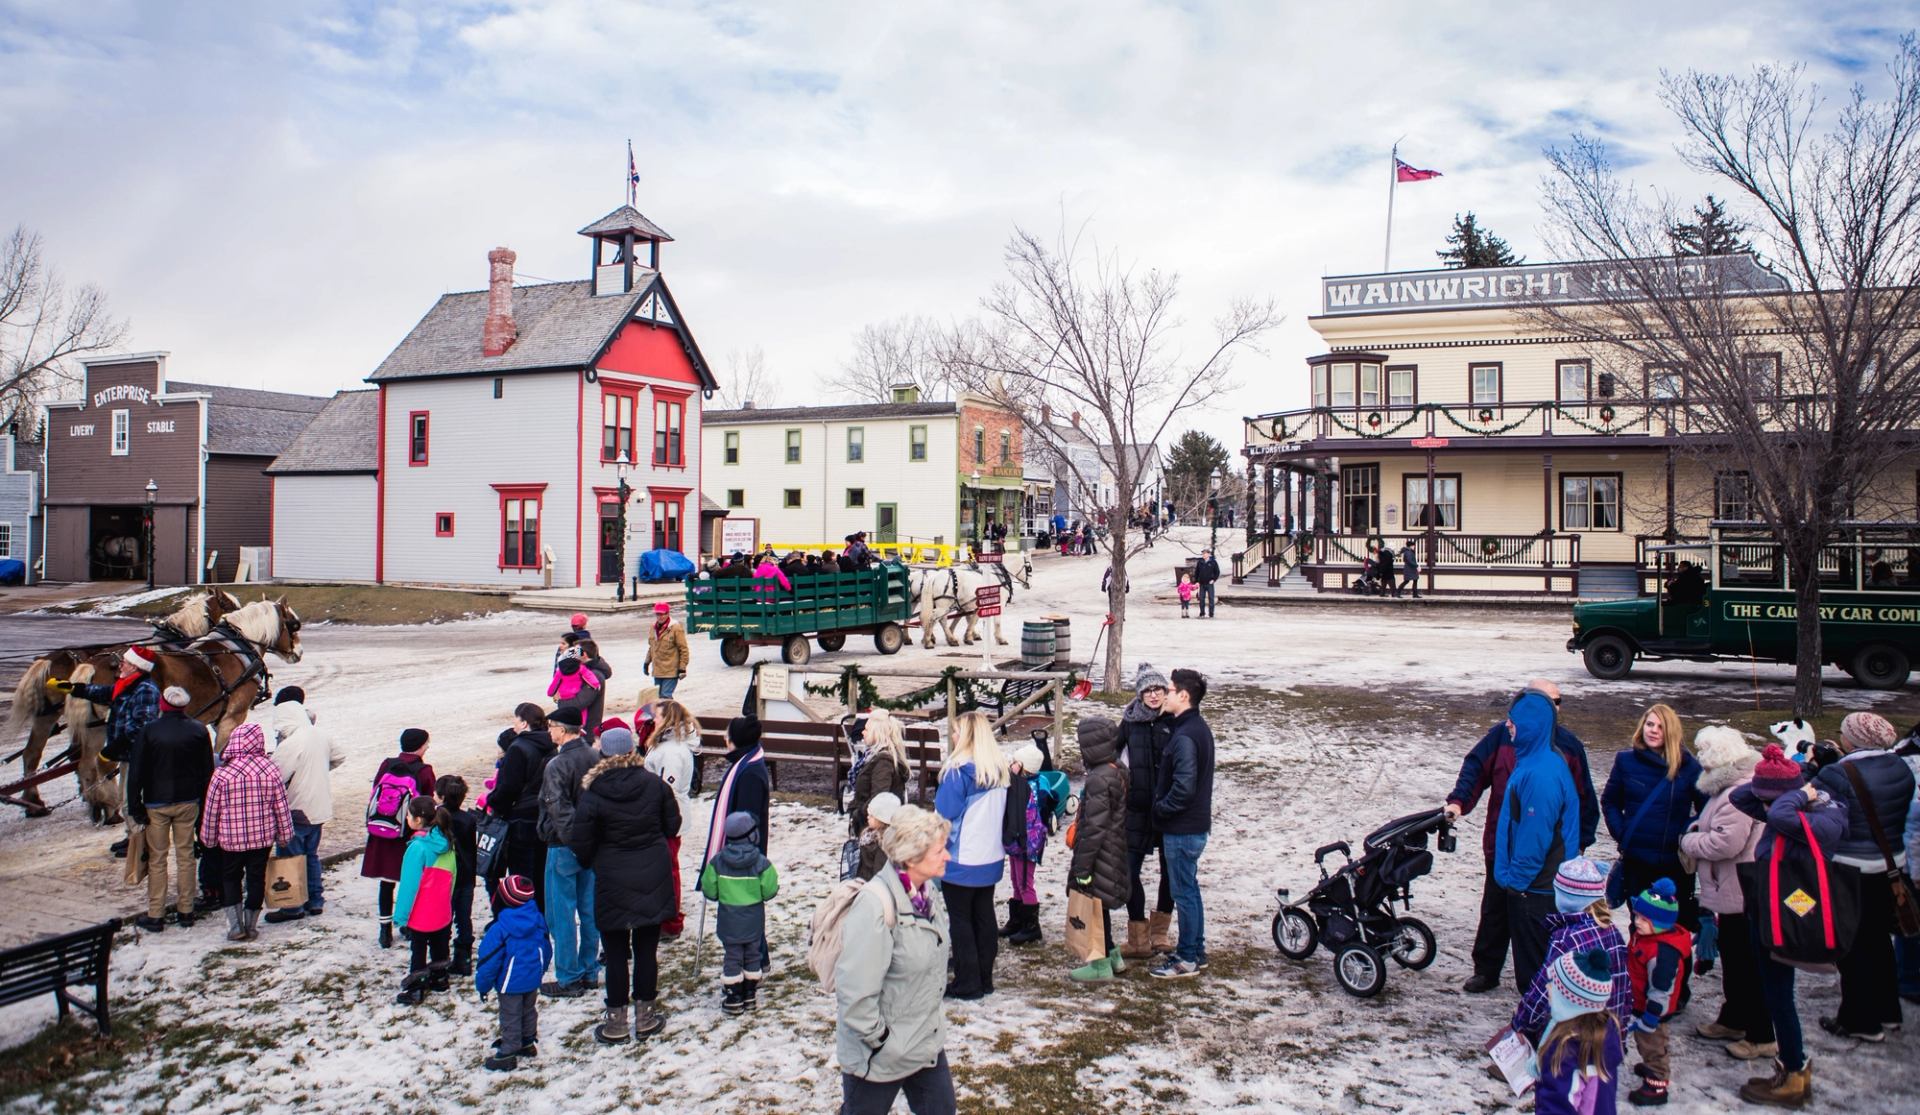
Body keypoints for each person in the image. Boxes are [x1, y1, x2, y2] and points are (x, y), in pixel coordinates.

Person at [1445, 679, 1601, 993]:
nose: (1553, 707)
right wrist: (1459, 801)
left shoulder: (1563, 750)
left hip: (1541, 861)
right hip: (1501, 847)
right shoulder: (1504, 738)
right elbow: (1475, 767)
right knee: (1495, 911)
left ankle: (1538, 986)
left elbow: (1583, 797)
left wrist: (1580, 843)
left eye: (1556, 701)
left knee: (1534, 920)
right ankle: (1487, 970)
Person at [1730, 745, 1847, 1105]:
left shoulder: (1821, 817)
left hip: (1791, 913)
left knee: (1780, 995)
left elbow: (1779, 814)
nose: (1765, 808)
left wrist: (1794, 793)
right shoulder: (1790, 807)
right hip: (1772, 906)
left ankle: (1794, 1074)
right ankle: (1792, 1067)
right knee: (1774, 991)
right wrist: (1789, 777)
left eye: (1771, 801)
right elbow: (1740, 797)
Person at [834, 805, 957, 1115]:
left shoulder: (926, 894)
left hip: (924, 1041)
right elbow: (855, 993)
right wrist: (882, 1041)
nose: (947, 856)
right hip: (880, 1054)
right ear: (912, 858)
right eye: (939, 851)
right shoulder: (875, 906)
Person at [570, 723, 681, 1045]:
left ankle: (617, 1020)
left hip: (612, 876)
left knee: (616, 952)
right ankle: (645, 1015)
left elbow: (581, 840)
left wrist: (594, 860)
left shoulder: (593, 792)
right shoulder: (654, 785)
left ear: (603, 754)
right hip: (651, 873)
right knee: (646, 949)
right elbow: (672, 824)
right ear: (632, 751)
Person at [1810, 710, 1915, 1042]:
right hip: (1890, 865)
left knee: (1852, 946)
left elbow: (1813, 806)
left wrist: (1817, 769)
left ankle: (1859, 1021)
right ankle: (1887, 1011)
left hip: (1850, 869)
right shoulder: (1899, 766)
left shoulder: (1840, 774)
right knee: (1879, 939)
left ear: (1852, 739)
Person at [1676, 726, 1773, 1061]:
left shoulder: (1737, 793)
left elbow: (1726, 843)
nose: (1700, 759)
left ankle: (1761, 1034)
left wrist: (1689, 841)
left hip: (1740, 889)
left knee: (1746, 963)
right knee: (1734, 959)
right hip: (1732, 887)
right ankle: (1734, 1018)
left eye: (1704, 753)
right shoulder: (1732, 787)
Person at [1492, 688, 1581, 995]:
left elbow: (1534, 841)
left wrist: (1516, 884)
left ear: (1530, 724)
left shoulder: (1541, 774)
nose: (1507, 725)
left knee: (1534, 975)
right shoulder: (1539, 760)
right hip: (1538, 886)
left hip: (1536, 889)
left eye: (1513, 720)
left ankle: (1538, 1021)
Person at [1603, 704, 1705, 931]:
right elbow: (1610, 801)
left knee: (1673, 927)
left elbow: (1706, 810)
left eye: (1660, 726)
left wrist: (1686, 833)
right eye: (1649, 724)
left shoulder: (1688, 767)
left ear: (1671, 731)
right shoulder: (1625, 761)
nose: (1653, 730)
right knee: (1640, 925)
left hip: (1674, 864)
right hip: (1636, 862)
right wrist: (1622, 833)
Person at [1511, 857, 1631, 1047]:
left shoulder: (1566, 939)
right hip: (1606, 1036)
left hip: (1569, 1039)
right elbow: (1623, 987)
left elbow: (1543, 989)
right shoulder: (1611, 931)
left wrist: (1521, 1023)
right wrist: (1619, 1036)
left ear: (1564, 897)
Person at [57, 643, 163, 858]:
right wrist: (74, 688)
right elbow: (104, 692)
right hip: (127, 755)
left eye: (125, 662)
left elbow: (141, 727)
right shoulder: (127, 685)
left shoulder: (146, 690)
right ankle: (132, 837)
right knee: (126, 800)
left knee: (133, 801)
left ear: (136, 667)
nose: (121, 665)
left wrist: (112, 749)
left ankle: (141, 845)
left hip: (138, 757)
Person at [124, 685, 214, 931]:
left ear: (163, 705)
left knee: (157, 859)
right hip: (188, 801)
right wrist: (205, 806)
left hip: (156, 801)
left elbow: (136, 771)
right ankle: (186, 910)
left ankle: (156, 913)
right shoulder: (198, 730)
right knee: (186, 856)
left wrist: (135, 805)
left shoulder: (149, 731)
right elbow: (207, 773)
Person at [933, 710, 1009, 999]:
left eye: (956, 731)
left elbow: (945, 813)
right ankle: (984, 978)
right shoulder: (997, 770)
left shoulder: (958, 772)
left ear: (966, 736)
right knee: (984, 916)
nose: (952, 736)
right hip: (990, 855)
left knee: (961, 920)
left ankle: (967, 982)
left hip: (961, 857)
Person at [199, 722, 292, 943]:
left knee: (230, 877)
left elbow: (212, 810)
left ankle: (235, 926)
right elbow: (281, 806)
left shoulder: (222, 773)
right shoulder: (270, 770)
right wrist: (285, 834)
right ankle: (251, 925)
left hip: (231, 839)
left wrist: (208, 838)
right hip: (262, 838)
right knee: (256, 878)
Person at [1151, 668, 1215, 979]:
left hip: (1183, 828)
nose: (1165, 694)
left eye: (1171, 689)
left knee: (1184, 892)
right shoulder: (1194, 727)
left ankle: (1187, 959)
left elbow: (1184, 787)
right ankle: (1196, 950)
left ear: (1184, 696)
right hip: (1192, 825)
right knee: (1189, 889)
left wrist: (1161, 809)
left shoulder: (1187, 735)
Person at [538, 712, 605, 998]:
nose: (549, 731)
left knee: (561, 913)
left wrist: (575, 842)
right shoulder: (594, 756)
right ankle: (589, 970)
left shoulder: (558, 764)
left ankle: (568, 976)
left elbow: (559, 809)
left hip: (564, 845)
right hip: (592, 843)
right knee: (589, 909)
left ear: (563, 730)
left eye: (551, 726)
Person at [265, 686, 344, 924]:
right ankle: (315, 901)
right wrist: (317, 770)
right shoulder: (319, 734)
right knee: (311, 855)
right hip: (319, 807)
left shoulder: (292, 742)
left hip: (296, 807)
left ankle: (292, 907)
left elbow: (275, 775)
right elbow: (339, 756)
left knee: (290, 857)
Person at [1067, 717, 1130, 983]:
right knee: (1100, 905)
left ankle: (1099, 964)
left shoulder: (1098, 779)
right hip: (1114, 848)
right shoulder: (1117, 769)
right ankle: (1114, 955)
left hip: (1099, 853)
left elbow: (1093, 827)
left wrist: (1082, 869)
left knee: (1093, 904)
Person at [699, 811, 780, 1015]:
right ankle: (750, 994)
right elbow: (769, 890)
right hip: (753, 920)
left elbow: (709, 889)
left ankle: (734, 997)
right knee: (753, 954)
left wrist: (721, 894)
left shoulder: (717, 862)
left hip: (729, 920)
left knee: (732, 956)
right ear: (752, 835)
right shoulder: (761, 863)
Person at [1120, 663, 1175, 959]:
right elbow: (1113, 754)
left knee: (1170, 872)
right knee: (1129, 870)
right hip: (1137, 808)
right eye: (1147, 690)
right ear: (1139, 694)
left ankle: (1160, 933)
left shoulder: (1173, 720)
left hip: (1168, 808)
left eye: (1158, 689)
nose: (1153, 695)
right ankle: (1138, 937)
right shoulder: (1130, 721)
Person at [362, 728, 436, 948]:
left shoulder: (387, 764)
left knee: (386, 882)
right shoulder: (424, 771)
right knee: (411, 881)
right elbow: (428, 803)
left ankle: (384, 930)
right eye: (427, 743)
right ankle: (408, 923)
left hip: (383, 829)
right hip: (409, 834)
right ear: (421, 746)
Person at [1624, 878, 1691, 1106]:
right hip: (1642, 1004)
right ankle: (1651, 1065)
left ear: (1661, 923)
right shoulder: (1647, 938)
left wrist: (1652, 1015)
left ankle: (1657, 1083)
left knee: (1652, 1043)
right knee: (1645, 1041)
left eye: (1644, 919)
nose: (1637, 922)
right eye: (1636, 916)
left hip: (1653, 1010)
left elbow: (1662, 989)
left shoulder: (1662, 953)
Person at [474, 873, 551, 1073]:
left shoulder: (500, 928)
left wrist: (483, 985)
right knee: (528, 1010)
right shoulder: (538, 920)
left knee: (510, 1015)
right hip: (532, 978)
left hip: (510, 983)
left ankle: (508, 1051)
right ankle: (527, 1041)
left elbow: (488, 960)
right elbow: (546, 948)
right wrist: (540, 970)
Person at [1533, 948, 1625, 1115]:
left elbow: (1557, 1106)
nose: (1547, 987)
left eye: (1553, 984)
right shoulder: (1605, 1033)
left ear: (1569, 1001)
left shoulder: (1565, 1048)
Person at [491, 704, 558, 913]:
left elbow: (508, 787)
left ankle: (525, 918)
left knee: (522, 876)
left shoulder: (519, 748)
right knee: (541, 873)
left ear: (524, 723)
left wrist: (494, 803)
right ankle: (541, 917)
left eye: (516, 719)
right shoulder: (550, 744)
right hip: (545, 815)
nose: (514, 724)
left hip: (521, 818)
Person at [391, 797, 458, 1004]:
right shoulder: (447, 842)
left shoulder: (418, 848)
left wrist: (401, 915)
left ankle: (416, 988)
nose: (406, 818)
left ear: (418, 820)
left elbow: (409, 886)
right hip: (442, 908)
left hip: (421, 911)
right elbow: (453, 875)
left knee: (418, 949)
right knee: (440, 944)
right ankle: (440, 978)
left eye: (408, 815)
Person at [644, 700, 699, 937]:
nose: (653, 720)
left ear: (667, 719)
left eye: (657, 716)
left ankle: (670, 922)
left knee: (668, 870)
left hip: (667, 817)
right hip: (666, 815)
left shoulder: (672, 751)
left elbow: (667, 789)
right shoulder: (668, 745)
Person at [999, 742, 1048, 945]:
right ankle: (1017, 919)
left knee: (1025, 882)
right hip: (1017, 841)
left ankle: (1031, 926)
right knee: (1016, 878)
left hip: (1027, 844)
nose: (1011, 765)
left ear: (1024, 768)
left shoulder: (1029, 788)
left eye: (1015, 762)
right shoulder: (1022, 783)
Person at [437, 775, 479, 976]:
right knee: (464, 918)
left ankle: (441, 958)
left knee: (444, 918)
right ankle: (464, 959)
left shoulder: (438, 818)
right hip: (466, 874)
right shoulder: (468, 819)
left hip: (445, 876)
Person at [849, 709, 910, 838]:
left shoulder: (883, 763)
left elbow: (879, 799)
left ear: (877, 733)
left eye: (866, 729)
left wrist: (858, 814)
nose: (862, 732)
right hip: (872, 825)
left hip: (876, 830)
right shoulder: (874, 757)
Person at [645, 602, 690, 700]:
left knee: (665, 696)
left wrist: (682, 668)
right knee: (657, 697)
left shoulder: (675, 628)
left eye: (662, 614)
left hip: (671, 671)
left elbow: (683, 649)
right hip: (658, 671)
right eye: (658, 614)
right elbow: (652, 647)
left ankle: (670, 710)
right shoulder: (653, 627)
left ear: (668, 613)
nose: (660, 617)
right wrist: (647, 662)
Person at [856, 791, 902, 882]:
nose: (868, 817)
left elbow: (880, 872)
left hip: (872, 884)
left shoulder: (883, 845)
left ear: (882, 820)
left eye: (872, 815)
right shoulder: (870, 835)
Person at [1193, 549, 1220, 618]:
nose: (1203, 555)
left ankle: (1211, 614)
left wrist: (1214, 580)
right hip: (1201, 584)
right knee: (1201, 599)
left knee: (1211, 598)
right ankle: (1202, 613)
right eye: (1203, 554)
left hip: (1209, 584)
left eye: (1205, 553)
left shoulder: (1213, 562)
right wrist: (1196, 581)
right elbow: (1196, 572)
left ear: (1208, 554)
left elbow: (1217, 572)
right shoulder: (1200, 562)